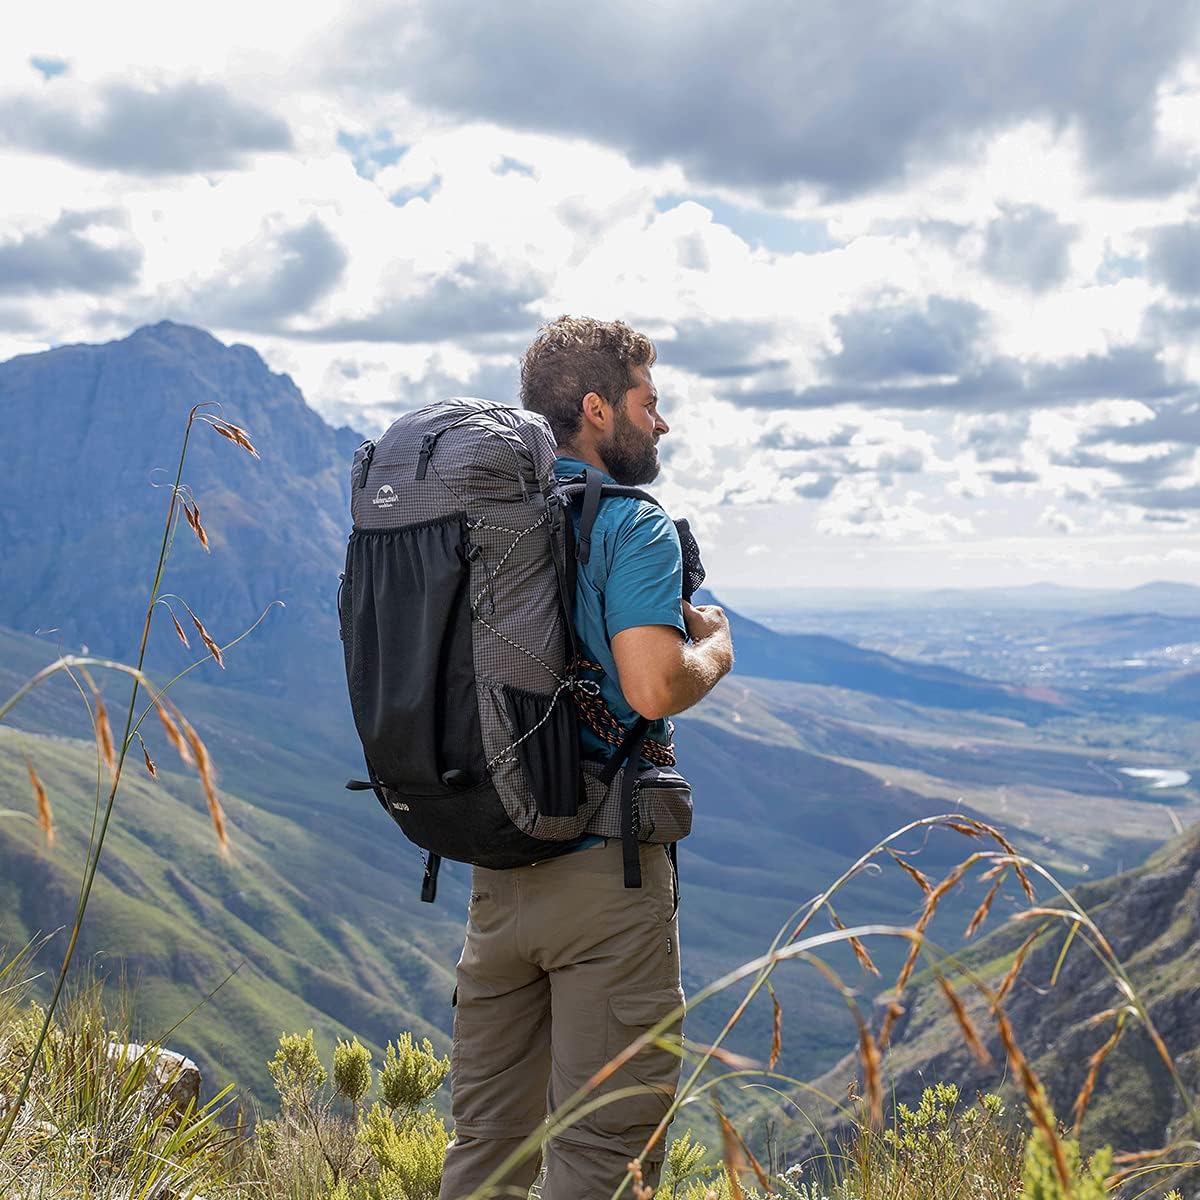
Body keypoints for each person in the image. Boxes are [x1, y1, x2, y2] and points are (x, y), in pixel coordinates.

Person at [437, 316, 735, 1200]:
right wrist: (715, 648)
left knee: (486, 1152)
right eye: (651, 402)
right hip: (607, 884)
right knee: (603, 1158)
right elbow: (649, 687)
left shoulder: (487, 522)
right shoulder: (631, 525)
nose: (663, 423)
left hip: (498, 868)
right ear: (599, 408)